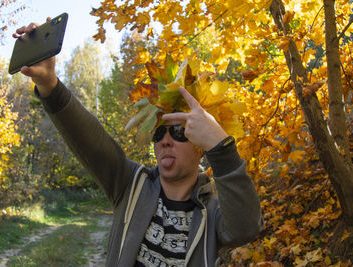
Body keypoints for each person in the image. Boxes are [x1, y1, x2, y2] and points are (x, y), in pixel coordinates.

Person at [13, 18, 263, 267]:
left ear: (201, 146)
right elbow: (88, 139)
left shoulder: (213, 211)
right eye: (158, 133)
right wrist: (49, 85)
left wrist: (222, 149)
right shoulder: (130, 184)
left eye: (178, 132)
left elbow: (246, 228)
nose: (165, 140)